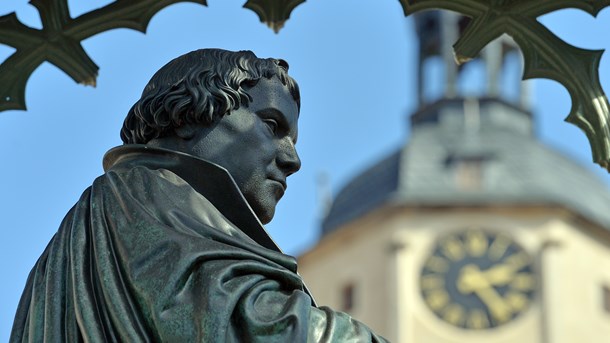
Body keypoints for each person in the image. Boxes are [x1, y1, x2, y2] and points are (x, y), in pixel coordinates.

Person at [11, 49, 387, 342]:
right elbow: (248, 324)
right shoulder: (138, 198)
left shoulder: (116, 212)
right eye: (272, 125)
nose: (292, 159)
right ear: (190, 117)